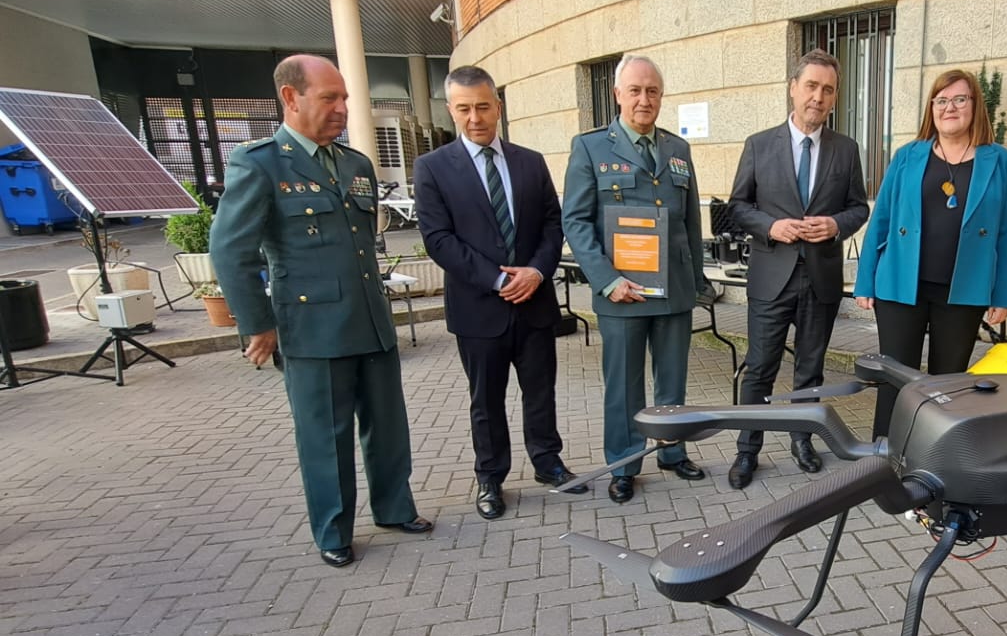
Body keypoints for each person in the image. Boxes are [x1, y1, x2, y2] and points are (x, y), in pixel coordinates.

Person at [210, 54, 432, 568]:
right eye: (329, 98)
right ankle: (334, 530)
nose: (342, 108)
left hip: (370, 318)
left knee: (388, 424)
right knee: (325, 437)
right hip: (310, 328)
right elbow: (230, 250)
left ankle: (394, 508)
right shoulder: (260, 162)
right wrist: (259, 324)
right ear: (291, 98)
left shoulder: (356, 164)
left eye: (345, 98)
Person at [412, 65, 587, 521]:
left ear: (498, 107)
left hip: (534, 302)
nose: (475, 118)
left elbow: (554, 221)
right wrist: (497, 278)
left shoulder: (530, 161)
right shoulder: (432, 167)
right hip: (479, 308)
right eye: (465, 109)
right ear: (452, 110)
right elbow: (438, 238)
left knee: (540, 392)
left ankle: (548, 463)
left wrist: (536, 271)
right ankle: (490, 477)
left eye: (483, 107)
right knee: (485, 400)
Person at [562, 54, 709, 504]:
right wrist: (607, 280)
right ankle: (625, 463)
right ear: (617, 94)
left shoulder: (677, 149)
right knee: (624, 384)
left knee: (672, 380)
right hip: (621, 291)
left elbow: (689, 222)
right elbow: (576, 221)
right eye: (636, 91)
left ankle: (671, 449)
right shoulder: (590, 147)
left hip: (673, 289)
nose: (644, 99)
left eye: (653, 91)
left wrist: (697, 281)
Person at [726, 49, 870, 489]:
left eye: (828, 90)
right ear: (793, 87)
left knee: (811, 370)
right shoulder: (759, 144)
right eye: (811, 86)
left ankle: (802, 442)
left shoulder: (846, 150)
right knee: (759, 368)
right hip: (772, 277)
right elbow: (737, 208)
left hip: (821, 278)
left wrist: (834, 225)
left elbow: (858, 208)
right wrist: (772, 226)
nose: (818, 97)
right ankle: (747, 450)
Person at [853, 68, 1007, 437]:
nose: (950, 107)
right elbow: (880, 218)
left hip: (964, 290)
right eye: (941, 100)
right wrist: (864, 282)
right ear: (932, 108)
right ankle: (886, 454)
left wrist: (1004, 294)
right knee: (894, 376)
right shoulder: (908, 155)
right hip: (900, 286)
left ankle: (936, 459)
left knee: (949, 385)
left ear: (975, 106)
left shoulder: (998, 160)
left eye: (960, 99)